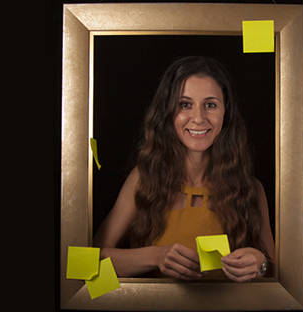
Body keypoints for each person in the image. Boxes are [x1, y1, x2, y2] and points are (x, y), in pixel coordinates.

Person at [93, 56, 275, 282]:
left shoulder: (250, 189)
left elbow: (276, 274)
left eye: (210, 105)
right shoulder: (144, 178)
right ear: (168, 112)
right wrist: (156, 256)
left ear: (225, 112)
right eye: (185, 104)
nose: (198, 118)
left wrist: (260, 262)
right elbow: (92, 262)